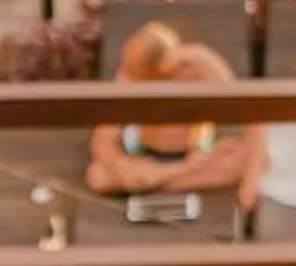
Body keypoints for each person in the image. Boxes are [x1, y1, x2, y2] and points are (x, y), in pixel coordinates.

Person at [85, 23, 266, 212]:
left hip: (197, 153)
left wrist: (250, 183)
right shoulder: (131, 74)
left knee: (250, 161)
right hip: (148, 156)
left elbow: (254, 116)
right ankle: (169, 180)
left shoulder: (204, 66)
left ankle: (152, 188)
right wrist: (120, 164)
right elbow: (103, 138)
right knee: (97, 177)